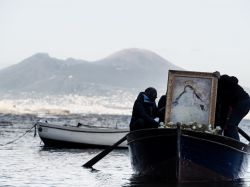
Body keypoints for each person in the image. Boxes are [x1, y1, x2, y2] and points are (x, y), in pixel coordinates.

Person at [214, 72, 250, 140]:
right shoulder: (217, 95)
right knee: (229, 126)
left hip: (243, 102)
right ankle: (228, 142)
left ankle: (236, 144)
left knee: (230, 125)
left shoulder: (222, 81)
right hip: (240, 103)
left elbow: (234, 79)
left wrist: (219, 77)